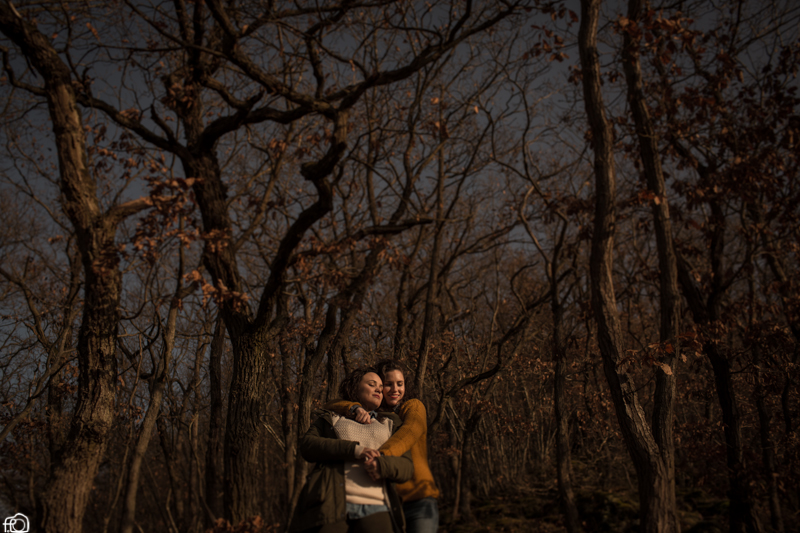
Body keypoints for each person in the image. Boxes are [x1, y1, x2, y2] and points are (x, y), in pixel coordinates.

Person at [289, 366, 414, 533]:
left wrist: (382, 465)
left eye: (380, 386)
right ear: (355, 388)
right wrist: (354, 450)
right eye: (372, 384)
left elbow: (407, 466)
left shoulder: (391, 423)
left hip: (378, 506)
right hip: (331, 503)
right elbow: (308, 445)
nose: (378, 389)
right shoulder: (332, 417)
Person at [325, 360, 440, 533]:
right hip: (388, 502)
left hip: (419, 499)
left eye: (400, 384)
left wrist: (381, 456)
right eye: (388, 384)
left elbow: (408, 433)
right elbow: (330, 405)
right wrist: (354, 408)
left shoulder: (413, 406)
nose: (395, 389)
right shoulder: (375, 415)